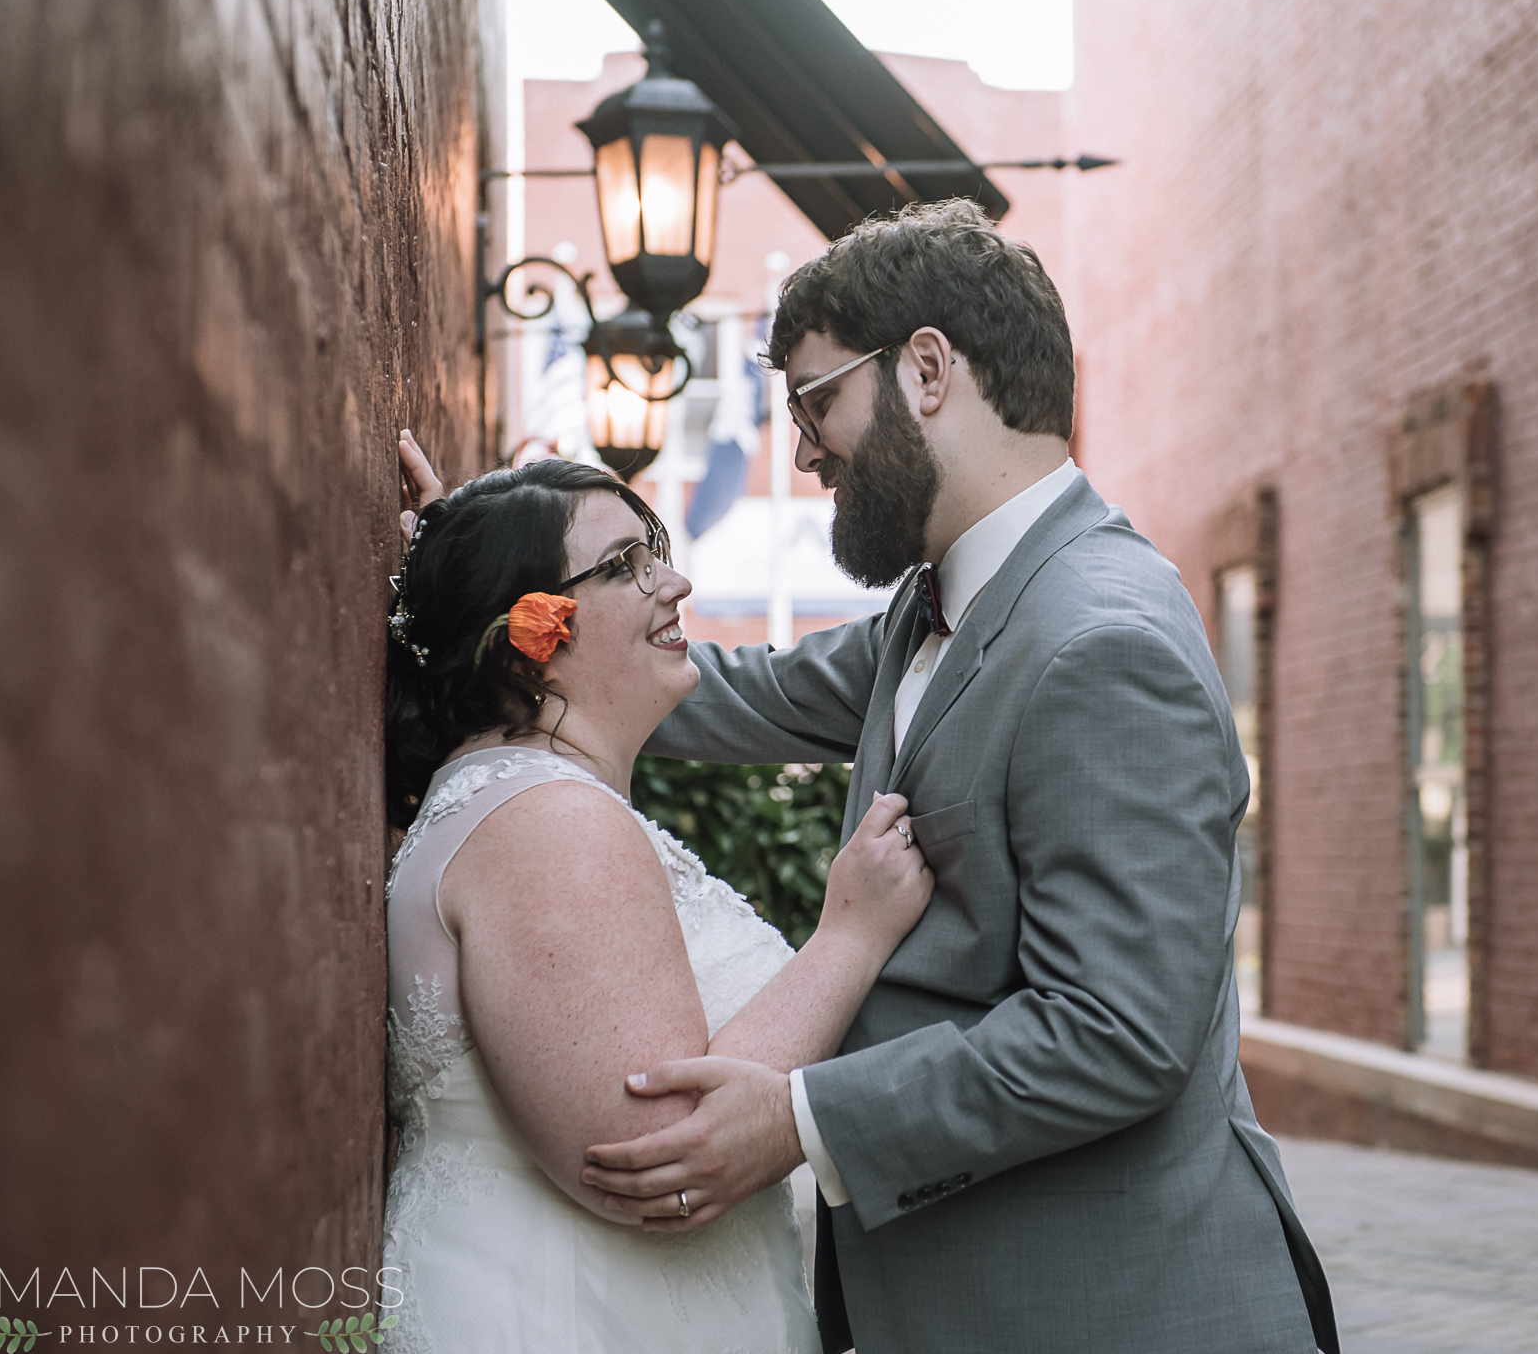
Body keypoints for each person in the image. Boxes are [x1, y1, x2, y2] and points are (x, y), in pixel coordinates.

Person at [397, 200, 1340, 1353]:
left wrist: (799, 1115)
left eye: (813, 400)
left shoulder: (1103, 641)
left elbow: (1117, 1029)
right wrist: (493, 604)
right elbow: (701, 684)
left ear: (927, 370)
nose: (800, 449)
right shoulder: (934, 607)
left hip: (1110, 1308)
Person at [379, 456, 932, 1353]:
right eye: (624, 565)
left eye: (655, 552)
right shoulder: (549, 822)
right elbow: (662, 1156)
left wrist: (480, 548)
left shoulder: (520, 796)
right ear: (531, 635)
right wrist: (852, 936)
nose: (673, 581)